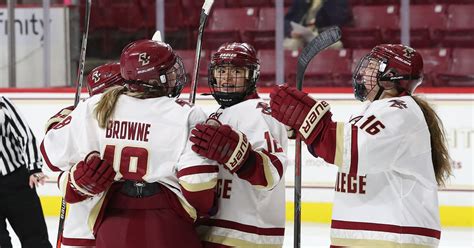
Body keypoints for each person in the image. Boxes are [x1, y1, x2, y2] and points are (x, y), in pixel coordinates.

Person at [40, 39, 218, 248]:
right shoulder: (186, 113)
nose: (175, 76)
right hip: (168, 224)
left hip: (111, 222)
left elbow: (49, 158)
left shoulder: (92, 107)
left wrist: (75, 180)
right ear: (155, 78)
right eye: (169, 71)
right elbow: (199, 187)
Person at [269, 44, 452, 247]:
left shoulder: (399, 112)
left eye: (373, 66)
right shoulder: (372, 111)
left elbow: (353, 150)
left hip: (393, 236)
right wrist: (307, 130)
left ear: (391, 76)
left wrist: (311, 123)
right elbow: (342, 149)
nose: (364, 72)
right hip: (367, 234)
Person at [189, 42, 288, 247]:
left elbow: (271, 174)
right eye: (221, 70)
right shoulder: (216, 113)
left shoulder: (259, 113)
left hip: (246, 235)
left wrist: (239, 155)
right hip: (214, 230)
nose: (226, 78)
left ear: (251, 76)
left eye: (236, 70)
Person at [43, 62, 124, 248]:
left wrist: (64, 121)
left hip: (82, 228)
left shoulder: (83, 116)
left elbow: (51, 158)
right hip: (120, 223)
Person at [0, 96, 52, 248]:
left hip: (15, 181)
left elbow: (25, 135)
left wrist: (34, 167)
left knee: (35, 240)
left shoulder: (2, 103)